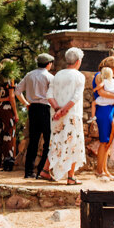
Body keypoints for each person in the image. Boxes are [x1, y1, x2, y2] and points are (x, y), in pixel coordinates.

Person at [42, 47, 87, 184]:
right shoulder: (79, 76)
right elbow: (76, 97)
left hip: (56, 115)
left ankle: (45, 170)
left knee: (56, 141)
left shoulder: (58, 75)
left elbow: (49, 95)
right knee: (73, 144)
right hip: (72, 115)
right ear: (78, 61)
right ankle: (71, 177)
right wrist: (64, 110)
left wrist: (57, 109)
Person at [14, 53, 54, 179]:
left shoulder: (29, 75)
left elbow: (17, 91)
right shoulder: (50, 77)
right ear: (48, 64)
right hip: (45, 109)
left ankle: (28, 172)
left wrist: (26, 103)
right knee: (48, 140)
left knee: (33, 141)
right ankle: (41, 170)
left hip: (33, 109)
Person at [0, 67, 19, 171]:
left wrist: (1, 99)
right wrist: (16, 113)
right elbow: (11, 97)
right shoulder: (10, 79)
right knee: (9, 134)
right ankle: (8, 161)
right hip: (8, 110)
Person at [94, 65, 114, 179]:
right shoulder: (99, 77)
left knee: (107, 142)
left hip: (110, 109)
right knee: (104, 141)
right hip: (104, 110)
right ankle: (99, 170)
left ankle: (104, 169)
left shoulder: (112, 81)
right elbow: (101, 93)